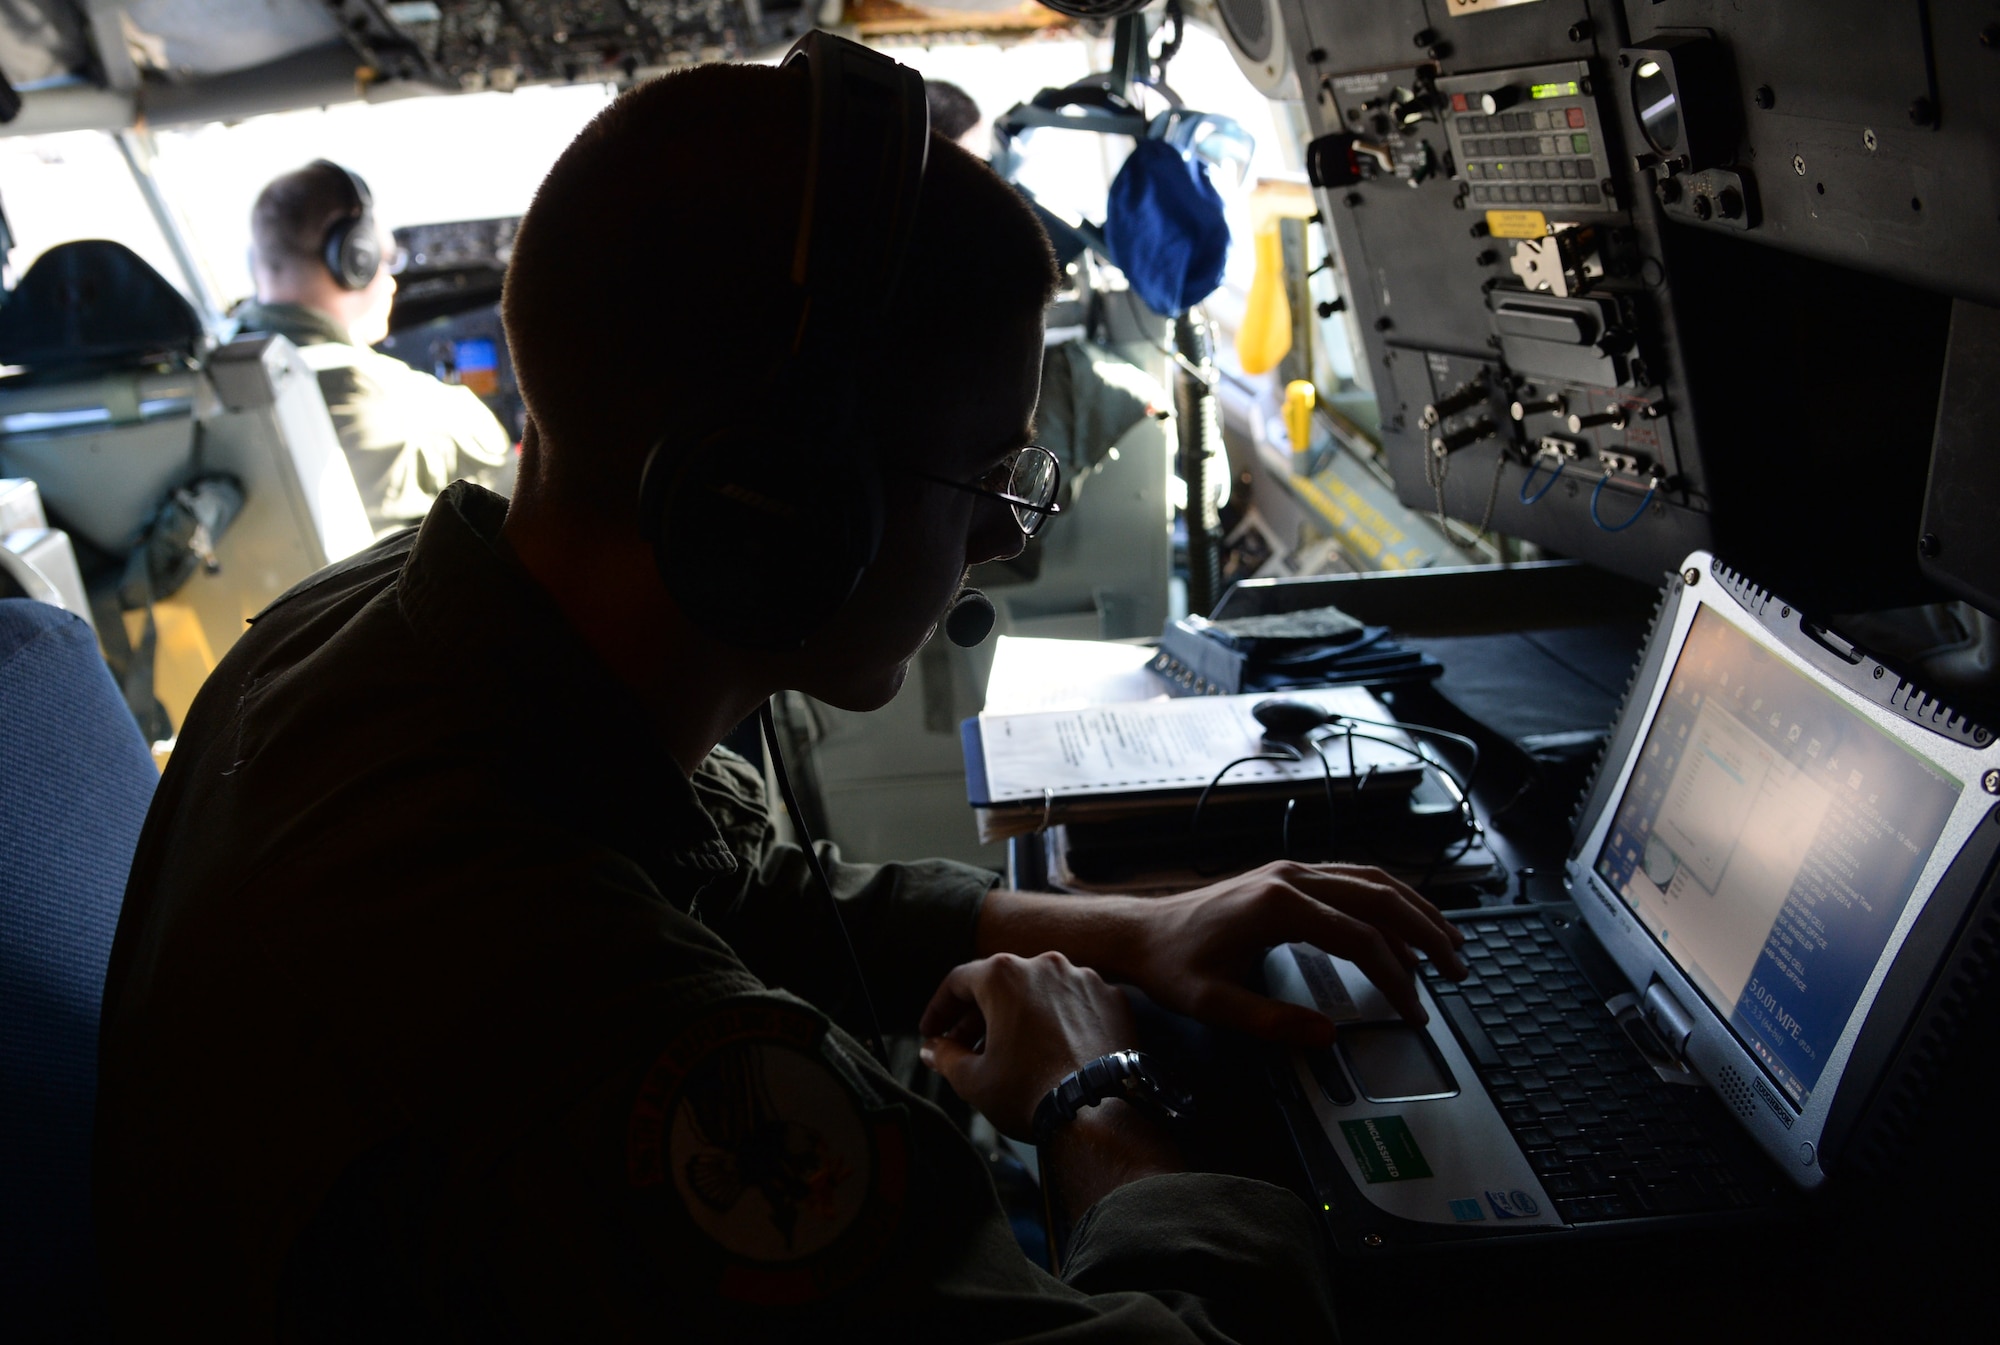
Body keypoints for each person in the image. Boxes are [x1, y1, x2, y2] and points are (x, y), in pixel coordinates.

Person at [95, 42, 1466, 1340]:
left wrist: (1109, 929)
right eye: (985, 481)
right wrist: (1091, 1100)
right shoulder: (584, 1037)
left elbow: (715, 890)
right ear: (778, 511)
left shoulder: (394, 624)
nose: (1009, 537)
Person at [236, 160, 516, 536]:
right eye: (385, 261)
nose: (391, 281)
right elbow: (494, 451)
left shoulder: (221, 371)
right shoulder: (364, 391)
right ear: (355, 260)